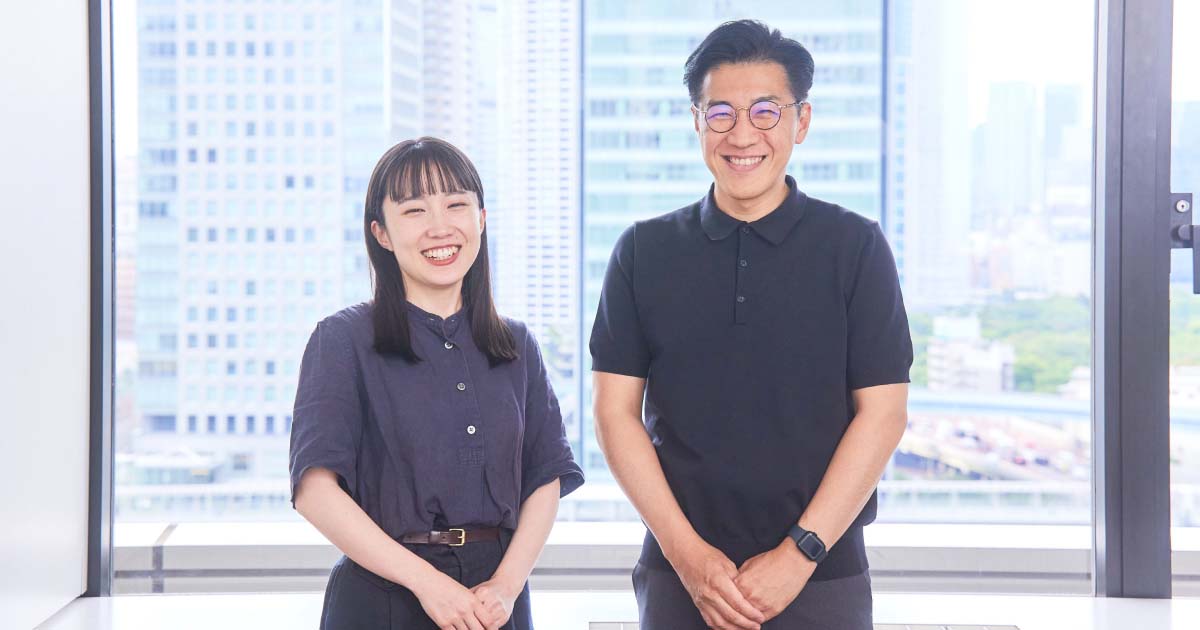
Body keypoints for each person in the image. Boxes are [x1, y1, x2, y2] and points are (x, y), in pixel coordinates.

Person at [589, 19, 913, 630]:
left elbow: (884, 415)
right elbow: (614, 415)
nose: (742, 134)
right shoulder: (643, 251)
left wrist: (799, 554)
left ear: (801, 122)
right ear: (696, 122)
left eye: (766, 112)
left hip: (823, 574)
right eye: (721, 113)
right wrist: (688, 558)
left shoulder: (856, 247)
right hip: (681, 577)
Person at [290, 137, 584, 630]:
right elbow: (314, 491)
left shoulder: (515, 344)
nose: (439, 226)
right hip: (383, 596)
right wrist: (428, 584)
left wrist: (507, 586)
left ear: (481, 219)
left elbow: (545, 477)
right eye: (414, 210)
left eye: (455, 205)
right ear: (381, 233)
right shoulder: (342, 340)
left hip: (496, 603)